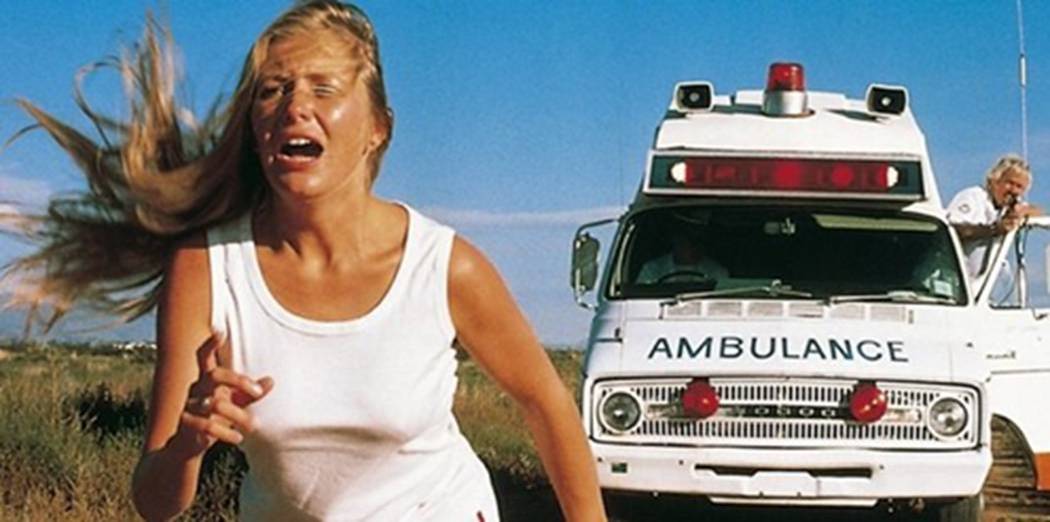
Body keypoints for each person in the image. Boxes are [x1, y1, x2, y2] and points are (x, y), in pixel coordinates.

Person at [1, 2, 606, 521]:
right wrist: (188, 441)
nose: (294, 106)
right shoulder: (207, 267)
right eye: (273, 90)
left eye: (324, 88)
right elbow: (156, 503)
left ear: (376, 129)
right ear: (256, 129)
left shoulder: (443, 265)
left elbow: (546, 404)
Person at [947, 154, 1041, 280]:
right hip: (959, 282)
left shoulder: (1008, 208)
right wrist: (995, 229)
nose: (1014, 190)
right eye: (1010, 183)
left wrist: (1024, 212)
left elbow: (1040, 212)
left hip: (994, 285)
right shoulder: (973, 196)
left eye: (1019, 187)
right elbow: (953, 230)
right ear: (995, 180)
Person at [636, 226, 727, 284]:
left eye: (697, 241)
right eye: (685, 242)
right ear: (675, 242)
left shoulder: (717, 272)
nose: (692, 247)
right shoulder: (651, 270)